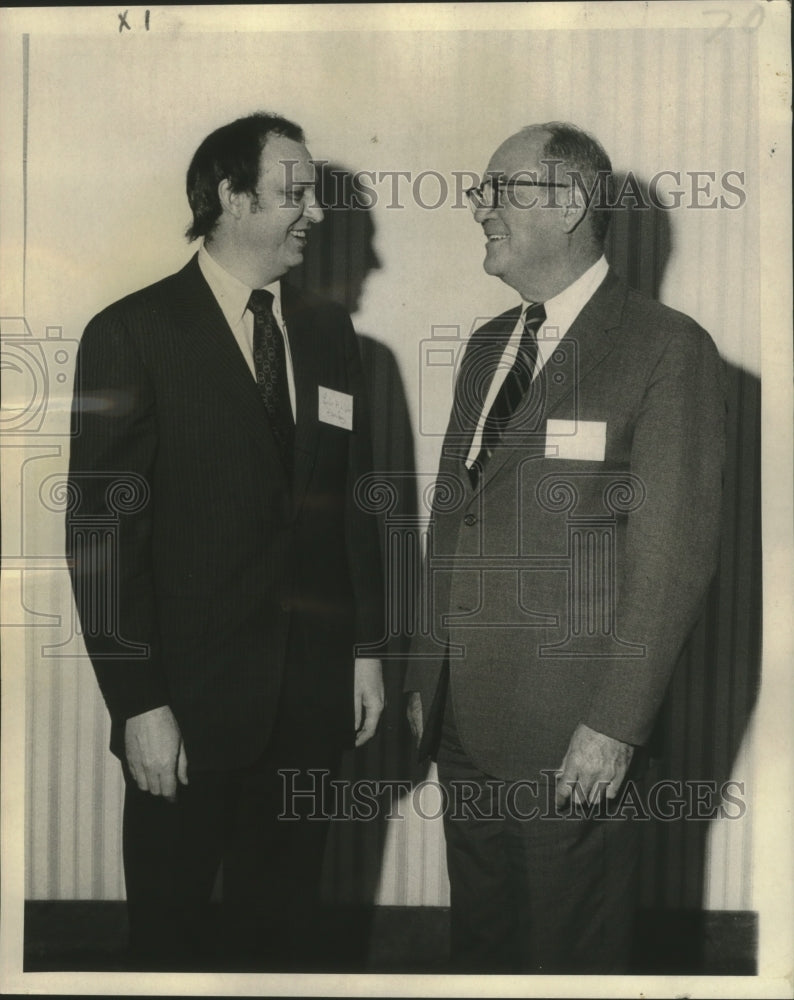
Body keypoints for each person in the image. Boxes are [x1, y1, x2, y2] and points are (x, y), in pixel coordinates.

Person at [66, 112, 385, 971]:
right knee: (167, 943)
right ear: (229, 196)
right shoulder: (131, 332)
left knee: (280, 942)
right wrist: (136, 702)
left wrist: (362, 651)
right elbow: (100, 538)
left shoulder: (327, 336)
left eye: (314, 192)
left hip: (309, 707)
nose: (315, 213)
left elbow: (349, 508)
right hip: (185, 715)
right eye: (295, 192)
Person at [405, 122, 725, 973]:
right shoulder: (484, 349)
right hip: (464, 727)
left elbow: (672, 560)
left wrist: (615, 724)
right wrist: (422, 679)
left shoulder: (667, 349)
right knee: (481, 952)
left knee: (568, 962)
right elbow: (455, 523)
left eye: (497, 189)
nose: (477, 208)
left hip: (571, 736)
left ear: (570, 202)